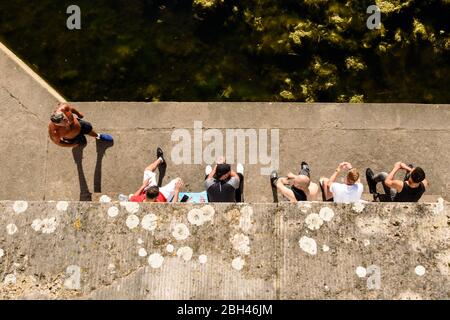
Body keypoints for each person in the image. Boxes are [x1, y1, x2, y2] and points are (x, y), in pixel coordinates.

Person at [48, 102, 113, 147]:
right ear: (56, 124)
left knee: (89, 129)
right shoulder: (54, 132)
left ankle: (98, 136)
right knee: (83, 143)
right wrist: (71, 145)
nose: (66, 120)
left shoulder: (63, 108)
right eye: (63, 122)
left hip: (80, 125)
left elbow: (71, 109)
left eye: (65, 118)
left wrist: (78, 114)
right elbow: (58, 143)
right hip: (73, 137)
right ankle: (79, 144)